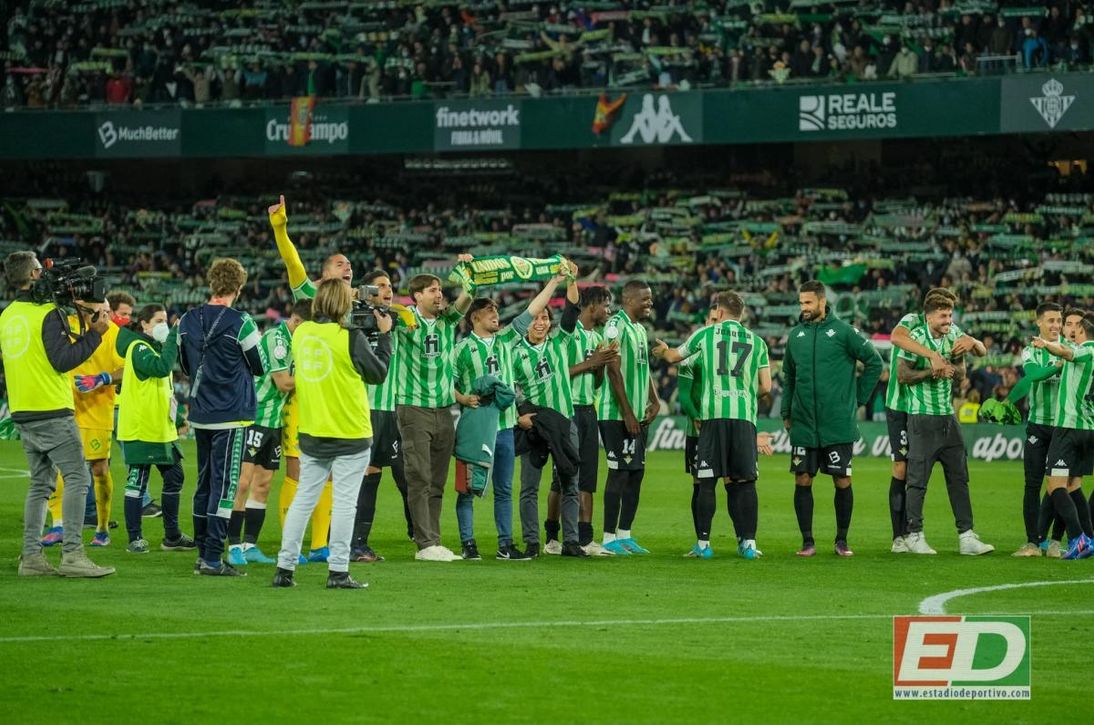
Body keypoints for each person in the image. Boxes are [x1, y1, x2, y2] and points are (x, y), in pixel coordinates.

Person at [0, 251, 114, 577]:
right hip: (51, 408)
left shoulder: (7, 315)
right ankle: (73, 555)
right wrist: (96, 333)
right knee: (78, 477)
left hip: (23, 409)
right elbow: (63, 360)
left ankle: (32, 557)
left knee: (39, 484)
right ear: (35, 274)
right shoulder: (47, 314)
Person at [273, 279, 392, 588]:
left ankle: (284, 569)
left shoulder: (302, 334)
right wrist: (385, 337)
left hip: (312, 431)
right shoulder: (349, 337)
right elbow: (378, 374)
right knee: (344, 503)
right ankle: (338, 571)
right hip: (350, 431)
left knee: (303, 499)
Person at [268, 195, 356, 562]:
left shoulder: (354, 306)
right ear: (323, 276)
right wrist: (280, 228)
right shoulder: (311, 295)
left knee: (334, 475)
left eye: (349, 263)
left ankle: (320, 545)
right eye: (340, 263)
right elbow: (292, 261)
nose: (348, 266)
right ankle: (294, 546)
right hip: (303, 398)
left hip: (337, 398)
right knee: (299, 471)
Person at [453, 277, 566, 561]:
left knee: (503, 489)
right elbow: (447, 384)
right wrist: (464, 399)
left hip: (505, 427)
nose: (496, 315)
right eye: (491, 311)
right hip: (476, 429)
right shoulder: (462, 349)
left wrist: (554, 283)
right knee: (468, 488)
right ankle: (468, 544)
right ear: (475, 317)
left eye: (497, 311)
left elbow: (532, 309)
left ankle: (505, 545)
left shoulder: (506, 339)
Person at [654, 291, 771, 560]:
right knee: (745, 481)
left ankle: (704, 545)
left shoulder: (704, 335)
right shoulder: (757, 342)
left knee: (706, 482)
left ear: (718, 312)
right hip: (743, 419)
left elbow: (673, 357)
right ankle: (749, 544)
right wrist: (743, 394)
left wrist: (662, 351)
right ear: (741, 314)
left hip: (712, 416)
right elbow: (766, 386)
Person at [179, 258, 267, 576]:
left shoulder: (186, 319)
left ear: (211, 283)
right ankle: (214, 558)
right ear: (239, 288)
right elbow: (259, 365)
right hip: (230, 413)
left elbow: (185, 365)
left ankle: (203, 552)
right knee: (225, 485)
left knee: (203, 482)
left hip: (200, 411)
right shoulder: (240, 322)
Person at [781, 281, 882, 557]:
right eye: (801, 303)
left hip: (836, 424)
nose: (803, 308)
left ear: (822, 302)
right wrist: (786, 412)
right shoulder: (795, 336)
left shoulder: (844, 332)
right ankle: (807, 542)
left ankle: (841, 540)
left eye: (808, 303)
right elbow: (789, 376)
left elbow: (875, 363)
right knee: (802, 478)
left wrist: (857, 400)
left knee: (842, 481)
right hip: (803, 423)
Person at [885, 287, 984, 552]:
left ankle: (966, 535)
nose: (949, 320)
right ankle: (906, 535)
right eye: (944, 314)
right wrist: (932, 364)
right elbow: (900, 360)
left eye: (951, 314)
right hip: (909, 410)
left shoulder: (951, 331)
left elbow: (968, 364)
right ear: (929, 314)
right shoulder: (912, 326)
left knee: (958, 476)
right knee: (909, 474)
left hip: (945, 416)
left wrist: (967, 347)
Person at [392, 269, 474, 562]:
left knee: (437, 481)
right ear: (417, 296)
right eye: (432, 290)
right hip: (413, 408)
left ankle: (434, 541)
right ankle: (424, 543)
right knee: (420, 477)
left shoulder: (446, 321)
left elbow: (466, 300)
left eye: (440, 290)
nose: (439, 295)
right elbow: (385, 314)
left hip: (443, 410)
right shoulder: (404, 319)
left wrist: (468, 274)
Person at [227, 300, 312, 567]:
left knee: (263, 485)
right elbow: (284, 382)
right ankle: (233, 546)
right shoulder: (278, 338)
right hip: (253, 417)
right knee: (242, 483)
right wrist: (319, 378)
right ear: (296, 321)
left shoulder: (300, 341)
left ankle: (250, 544)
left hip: (274, 421)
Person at [512, 263, 587, 558]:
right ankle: (532, 542)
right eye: (536, 318)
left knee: (570, 482)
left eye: (545, 317)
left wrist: (571, 279)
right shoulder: (516, 354)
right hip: (536, 425)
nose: (541, 322)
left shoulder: (559, 342)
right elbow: (510, 390)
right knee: (529, 487)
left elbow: (572, 308)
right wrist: (520, 416)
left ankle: (570, 542)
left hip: (564, 422)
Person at [41, 298, 124, 548]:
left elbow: (126, 368)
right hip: (65, 406)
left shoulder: (114, 332)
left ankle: (101, 527)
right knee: (57, 466)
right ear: (85, 308)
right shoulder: (67, 326)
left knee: (99, 469)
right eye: (103, 310)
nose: (107, 315)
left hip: (98, 408)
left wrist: (103, 377)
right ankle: (58, 524)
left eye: (109, 310)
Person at [543, 285, 616, 556]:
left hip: (587, 410)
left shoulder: (596, 338)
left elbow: (596, 381)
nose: (608, 310)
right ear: (591, 306)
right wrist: (591, 362)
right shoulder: (567, 336)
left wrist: (602, 362)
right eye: (606, 305)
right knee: (561, 479)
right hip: (566, 409)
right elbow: (558, 372)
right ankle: (552, 537)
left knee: (587, 478)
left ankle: (585, 539)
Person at [115, 303, 195, 553]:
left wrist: (178, 420)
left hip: (160, 428)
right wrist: (173, 335)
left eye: (165, 320)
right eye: (159, 321)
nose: (164, 325)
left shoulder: (154, 348)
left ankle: (172, 536)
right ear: (144, 324)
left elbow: (163, 390)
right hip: (141, 428)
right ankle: (134, 538)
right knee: (137, 481)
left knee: (175, 476)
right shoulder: (138, 348)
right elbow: (160, 369)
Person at [351, 271, 413, 563]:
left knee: (374, 475)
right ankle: (352, 544)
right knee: (363, 477)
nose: (388, 290)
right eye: (381, 286)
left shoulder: (395, 320)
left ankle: (360, 544)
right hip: (365, 408)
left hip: (389, 411)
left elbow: (407, 313)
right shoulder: (355, 321)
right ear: (366, 291)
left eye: (390, 285)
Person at [598, 280, 660, 555]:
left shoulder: (639, 329)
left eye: (650, 299)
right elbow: (613, 370)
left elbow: (643, 369)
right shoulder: (615, 325)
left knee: (636, 473)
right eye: (645, 299)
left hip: (636, 414)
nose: (650, 304)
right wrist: (626, 412)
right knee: (619, 473)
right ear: (629, 299)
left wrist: (655, 400)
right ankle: (609, 537)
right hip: (616, 414)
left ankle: (625, 534)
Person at [1031, 313, 1094, 559]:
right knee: (1074, 485)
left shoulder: (1086, 351)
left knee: (1055, 485)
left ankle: (1078, 537)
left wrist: (1045, 344)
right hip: (1088, 427)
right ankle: (1089, 538)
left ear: (1082, 330)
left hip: (1069, 427)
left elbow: (1068, 353)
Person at [1012, 302, 1064, 557]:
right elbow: (1033, 375)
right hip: (1037, 425)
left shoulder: (1069, 349)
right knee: (1032, 485)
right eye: (1051, 320)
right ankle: (1032, 542)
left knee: (1061, 486)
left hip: (1064, 427)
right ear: (1039, 323)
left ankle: (1054, 541)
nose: (1056, 325)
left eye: (1059, 320)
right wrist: (1058, 366)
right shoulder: (1030, 351)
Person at [107, 291, 159, 519]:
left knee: (106, 461)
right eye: (122, 313)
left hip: (118, 403)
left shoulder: (124, 335)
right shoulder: (111, 336)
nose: (127, 318)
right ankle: (142, 501)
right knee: (133, 455)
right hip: (112, 406)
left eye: (129, 314)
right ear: (110, 312)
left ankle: (93, 510)